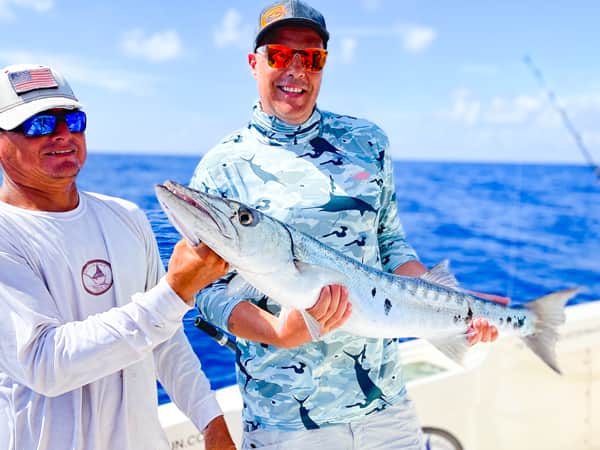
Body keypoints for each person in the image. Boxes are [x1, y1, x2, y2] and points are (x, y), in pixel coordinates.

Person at [190, 1, 505, 449]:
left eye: (312, 58)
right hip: (283, 415)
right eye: (280, 55)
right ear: (253, 63)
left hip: (384, 405)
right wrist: (278, 333)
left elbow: (391, 245)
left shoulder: (367, 142)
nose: (296, 70)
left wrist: (457, 306)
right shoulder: (221, 167)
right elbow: (205, 292)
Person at [0, 64, 236, 449]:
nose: (63, 134)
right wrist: (175, 292)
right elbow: (46, 365)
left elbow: (166, 340)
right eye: (38, 124)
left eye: (74, 121)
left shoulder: (126, 217)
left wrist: (211, 421)